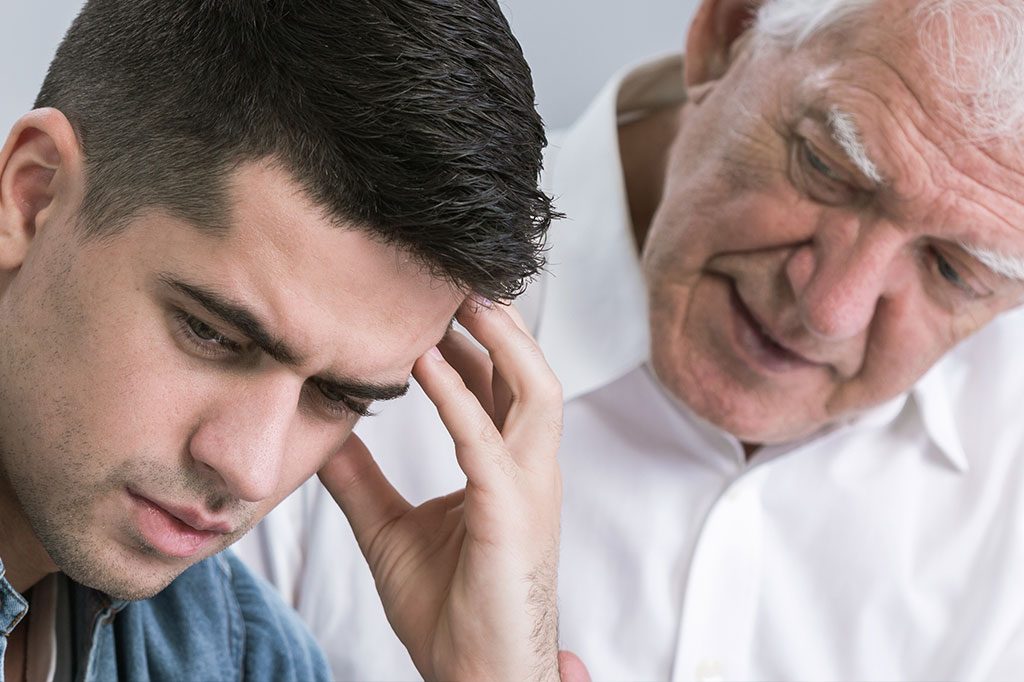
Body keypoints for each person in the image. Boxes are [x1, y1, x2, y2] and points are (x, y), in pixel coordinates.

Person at [236, 0, 1024, 679]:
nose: (830, 308)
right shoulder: (337, 290)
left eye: (954, 271)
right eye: (826, 165)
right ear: (728, 32)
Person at [0, 0, 582, 680]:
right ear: (32, 197)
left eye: (338, 396)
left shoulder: (237, 651)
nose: (251, 469)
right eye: (211, 333)